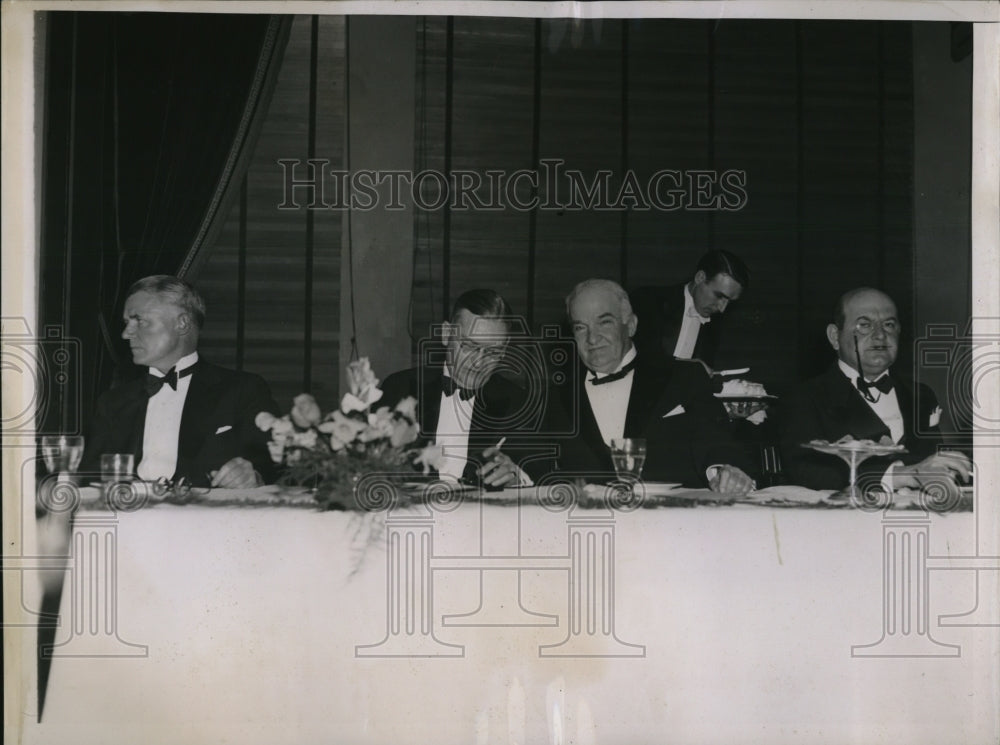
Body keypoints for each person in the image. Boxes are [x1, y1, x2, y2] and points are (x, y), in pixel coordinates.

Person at [542, 279, 757, 493]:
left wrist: (725, 472)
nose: (592, 338)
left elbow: (717, 439)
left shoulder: (683, 377)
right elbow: (535, 464)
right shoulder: (556, 398)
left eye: (604, 322)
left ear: (631, 325)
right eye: (580, 327)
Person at [80, 275, 279, 488]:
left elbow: (274, 464)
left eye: (140, 321)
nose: (125, 334)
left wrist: (255, 476)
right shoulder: (112, 402)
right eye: (127, 323)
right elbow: (88, 477)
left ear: (182, 323)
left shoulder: (243, 390)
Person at [777, 287, 971, 492]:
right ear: (835, 337)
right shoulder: (804, 397)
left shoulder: (922, 395)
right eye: (864, 325)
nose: (880, 335)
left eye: (888, 325)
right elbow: (805, 471)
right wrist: (900, 476)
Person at [379, 289, 541, 488]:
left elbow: (540, 476)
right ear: (447, 334)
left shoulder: (520, 403)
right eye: (469, 346)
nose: (478, 362)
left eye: (492, 351)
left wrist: (517, 478)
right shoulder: (399, 388)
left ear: (505, 347)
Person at [629, 249, 749, 373]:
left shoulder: (715, 322)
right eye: (719, 296)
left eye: (729, 301)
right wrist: (688, 366)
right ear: (700, 277)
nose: (722, 308)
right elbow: (640, 358)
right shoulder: (649, 300)